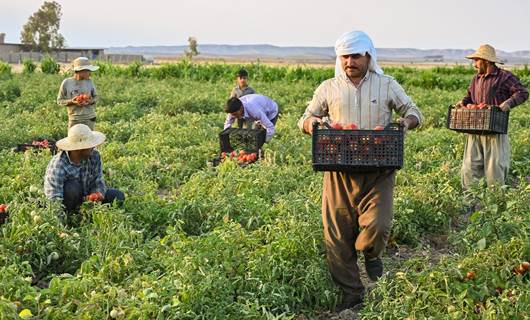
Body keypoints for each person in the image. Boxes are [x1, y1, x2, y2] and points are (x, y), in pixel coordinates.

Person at [298, 30, 423, 311]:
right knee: (337, 237)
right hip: (338, 171)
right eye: (344, 56)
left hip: (378, 169)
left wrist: (405, 123)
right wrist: (312, 124)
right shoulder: (328, 88)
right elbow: (305, 118)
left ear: (368, 56)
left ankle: (371, 252)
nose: (349, 61)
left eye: (355, 56)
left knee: (378, 225)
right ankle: (352, 296)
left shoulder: (387, 85)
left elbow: (413, 111)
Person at [455, 44, 528, 190]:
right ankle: (471, 205)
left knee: (494, 170)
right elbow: (469, 96)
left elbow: (522, 93)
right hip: (474, 129)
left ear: (485, 61)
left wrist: (508, 103)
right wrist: (463, 103)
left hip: (495, 130)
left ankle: (495, 206)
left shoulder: (505, 77)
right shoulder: (476, 79)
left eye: (476, 60)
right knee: (469, 168)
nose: (474, 64)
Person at [44, 124, 125, 212]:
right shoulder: (58, 165)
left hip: (87, 199)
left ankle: (90, 213)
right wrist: (60, 221)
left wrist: (97, 194)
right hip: (68, 202)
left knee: (118, 196)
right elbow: (54, 198)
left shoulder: (94, 155)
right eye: (90, 145)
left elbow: (98, 180)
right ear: (80, 149)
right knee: (72, 188)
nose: (93, 147)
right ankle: (71, 215)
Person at [57, 57, 99, 130]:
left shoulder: (90, 82)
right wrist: (72, 101)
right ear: (80, 71)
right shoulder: (67, 83)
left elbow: (96, 97)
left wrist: (90, 101)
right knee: (73, 139)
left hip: (89, 118)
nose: (90, 73)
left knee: (89, 140)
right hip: (74, 119)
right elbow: (60, 101)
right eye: (88, 71)